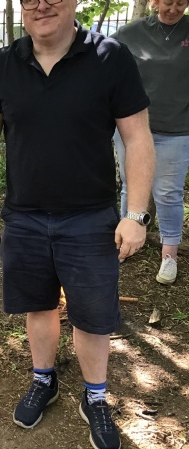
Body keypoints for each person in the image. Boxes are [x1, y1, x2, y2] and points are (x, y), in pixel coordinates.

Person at [0, 0, 155, 449]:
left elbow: (137, 138)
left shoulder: (109, 57)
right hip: (24, 217)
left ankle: (96, 397)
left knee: (93, 316)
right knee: (38, 305)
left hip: (90, 218)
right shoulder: (3, 64)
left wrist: (135, 215)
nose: (41, 5)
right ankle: (43, 380)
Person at [111, 0, 189, 284]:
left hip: (176, 128)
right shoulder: (130, 33)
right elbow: (104, 65)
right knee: (130, 187)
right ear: (155, 2)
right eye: (168, 1)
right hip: (131, 127)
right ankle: (125, 242)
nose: (174, 8)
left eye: (181, 2)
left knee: (168, 193)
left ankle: (169, 255)